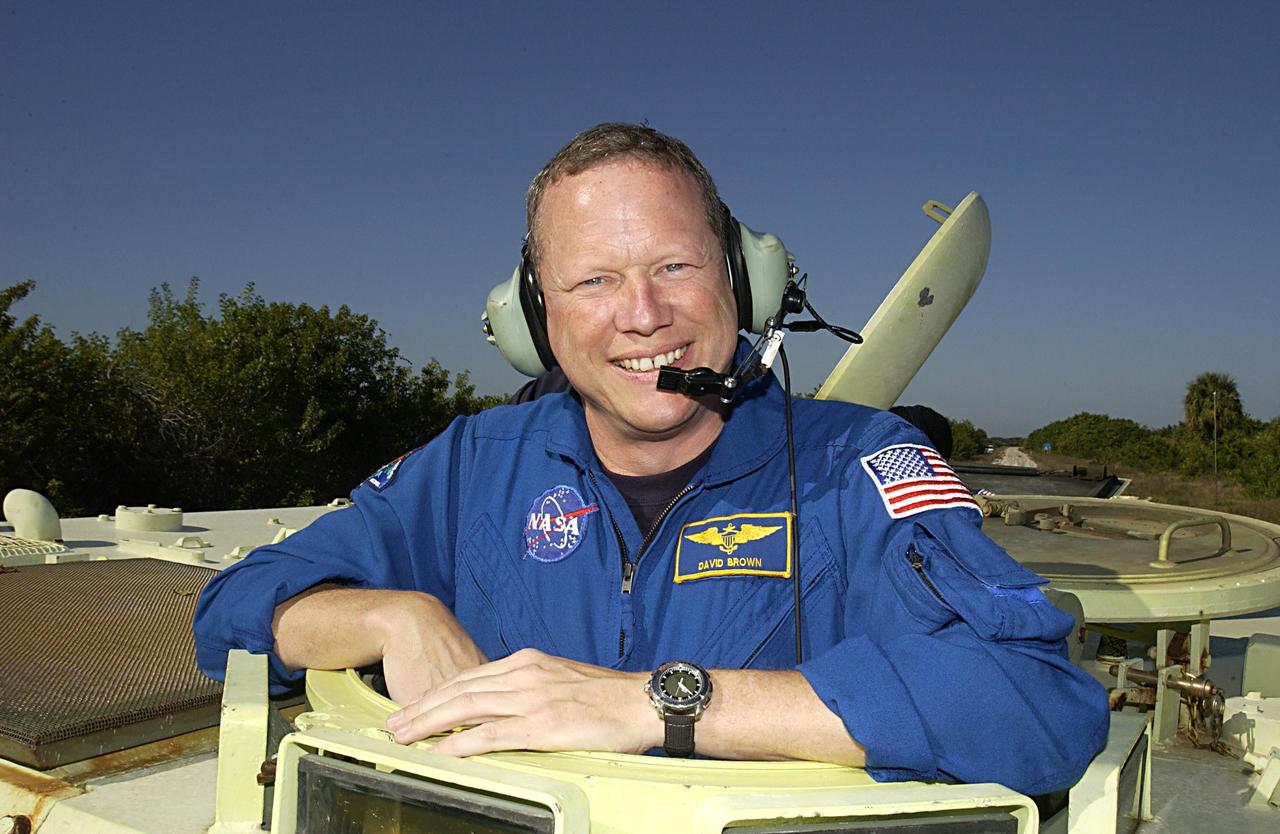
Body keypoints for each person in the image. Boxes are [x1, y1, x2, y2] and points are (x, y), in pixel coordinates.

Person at [194, 123, 1108, 794]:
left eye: (675, 266)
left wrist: (667, 703)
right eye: (592, 280)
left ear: (742, 281)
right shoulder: (473, 464)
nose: (642, 315)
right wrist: (394, 615)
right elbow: (231, 607)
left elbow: (1037, 701)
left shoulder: (860, 467)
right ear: (534, 317)